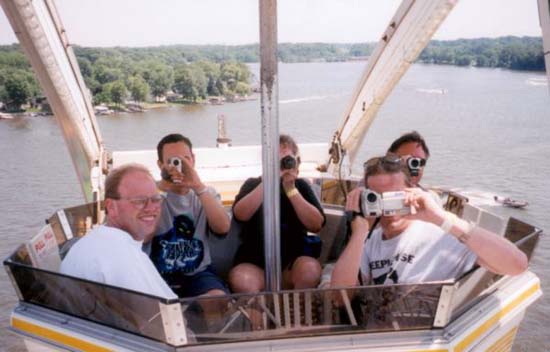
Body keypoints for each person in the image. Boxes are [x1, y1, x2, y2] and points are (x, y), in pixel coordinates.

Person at [331, 153, 528, 288]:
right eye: (377, 198)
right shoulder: (371, 240)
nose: (388, 207)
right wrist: (358, 230)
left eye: (395, 197)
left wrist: (442, 218)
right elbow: (340, 297)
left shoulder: (443, 235)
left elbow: (517, 265)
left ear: (412, 190)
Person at [60, 164, 176, 299]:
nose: (151, 208)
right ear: (111, 206)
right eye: (139, 201)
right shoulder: (123, 255)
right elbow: (163, 316)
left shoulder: (94, 242)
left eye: (156, 199)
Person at [229, 134, 326, 293]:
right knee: (243, 280)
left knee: (309, 271)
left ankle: (297, 315)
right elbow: (241, 214)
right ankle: (258, 316)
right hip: (255, 262)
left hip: (292, 263)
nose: (281, 164)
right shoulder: (253, 184)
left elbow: (316, 225)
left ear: (296, 161)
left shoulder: (301, 186)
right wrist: (269, 181)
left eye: (285, 159)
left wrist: (291, 189)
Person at [144, 133, 231, 299]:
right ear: (160, 164)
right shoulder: (149, 196)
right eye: (171, 161)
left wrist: (198, 187)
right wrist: (162, 190)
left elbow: (223, 228)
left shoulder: (206, 195)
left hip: (197, 274)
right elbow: (144, 236)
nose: (179, 166)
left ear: (193, 160)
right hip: (156, 274)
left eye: (185, 159)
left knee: (216, 299)